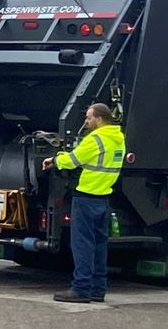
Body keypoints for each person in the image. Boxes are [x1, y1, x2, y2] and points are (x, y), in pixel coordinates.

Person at [52, 101, 127, 304]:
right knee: (99, 245)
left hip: (86, 197)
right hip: (103, 198)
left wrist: (56, 159)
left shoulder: (95, 139)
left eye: (89, 117)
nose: (86, 121)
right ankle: (97, 289)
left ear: (99, 119)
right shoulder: (118, 139)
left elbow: (73, 160)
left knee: (82, 244)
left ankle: (81, 289)